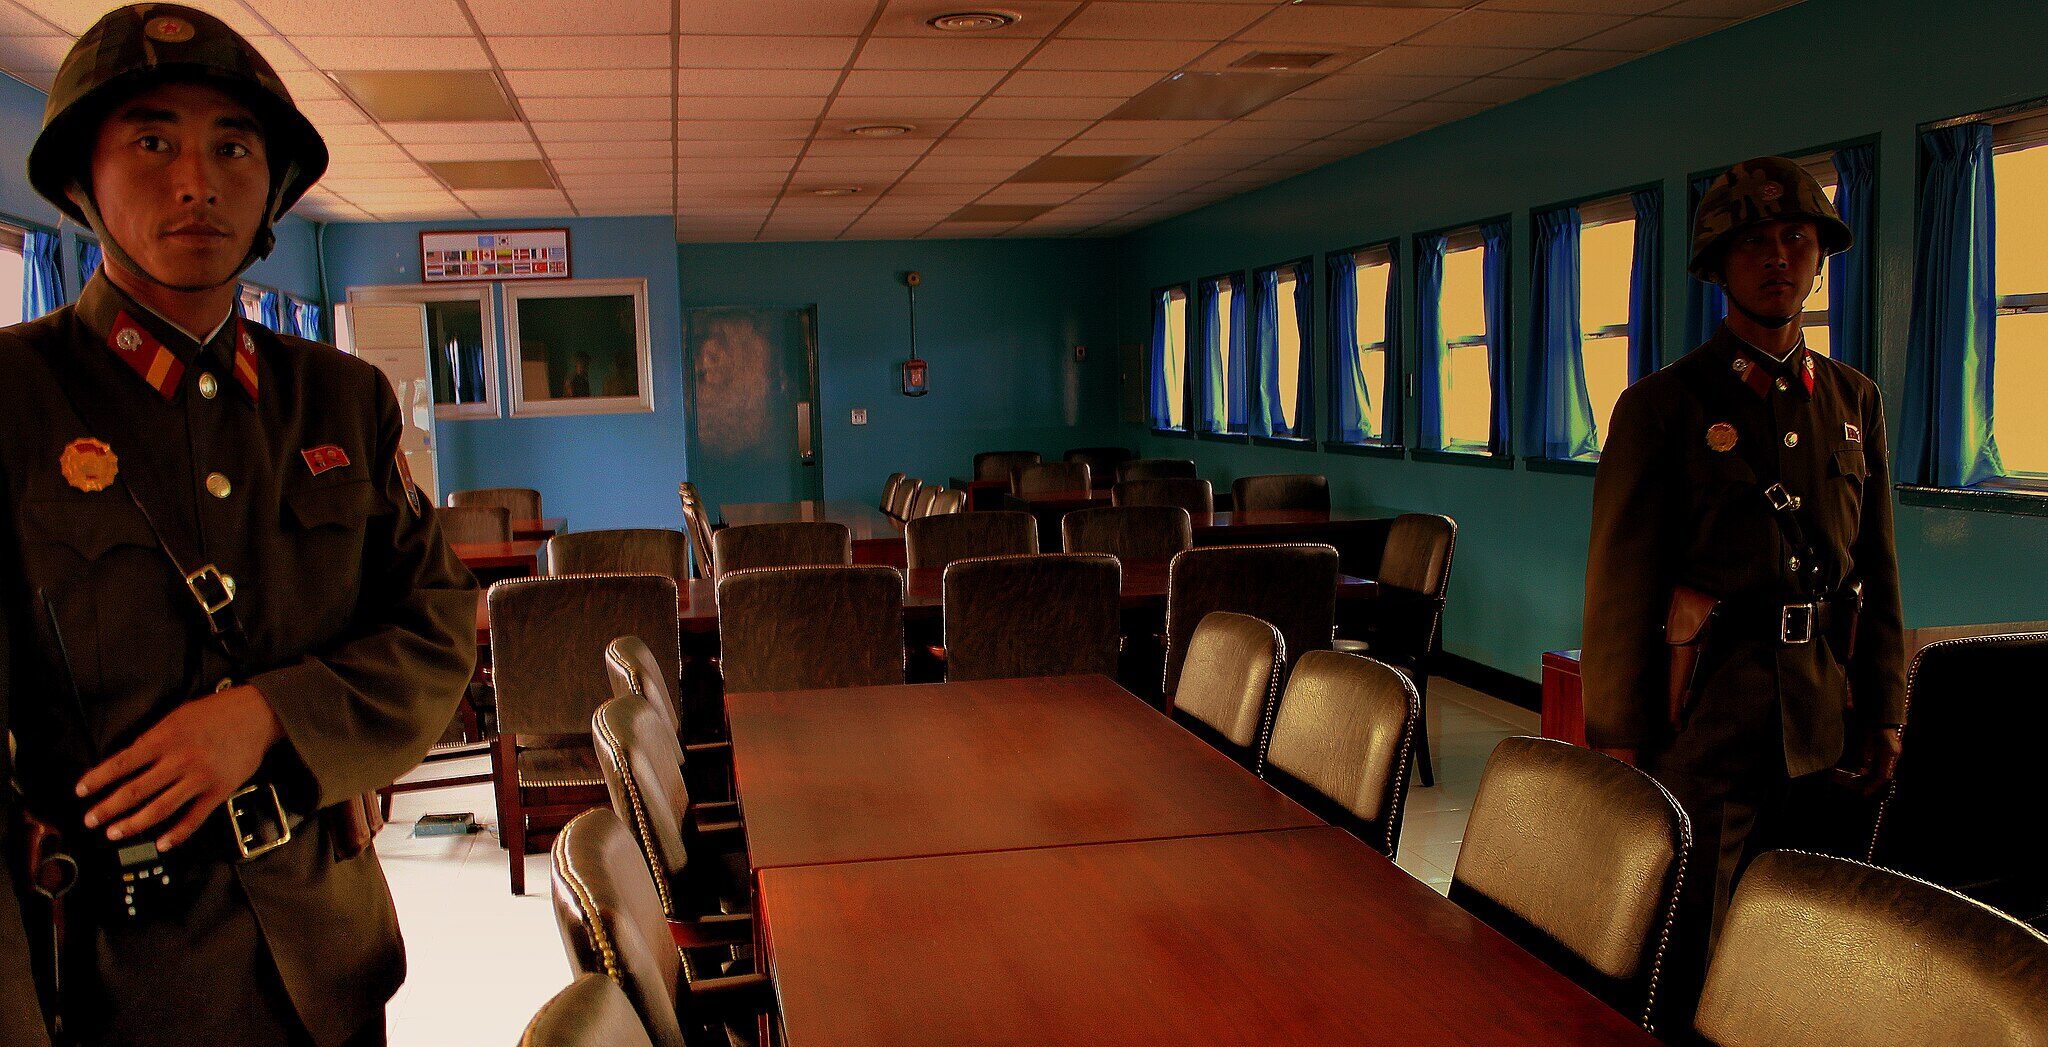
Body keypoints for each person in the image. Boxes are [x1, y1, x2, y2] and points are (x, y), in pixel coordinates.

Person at [0, 6, 478, 1044]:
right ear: (83, 178)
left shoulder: (336, 399)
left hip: (326, 957)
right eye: (154, 140)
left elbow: (436, 622)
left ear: (272, 187)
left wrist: (270, 716)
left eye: (233, 146)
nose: (196, 180)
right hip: (110, 976)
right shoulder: (14, 399)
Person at [1582, 156, 1906, 1024]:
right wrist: (1618, 735)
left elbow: (1876, 567)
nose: (1777, 258)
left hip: (1819, 701)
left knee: (1802, 923)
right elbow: (1620, 582)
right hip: (1709, 710)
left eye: (1796, 239)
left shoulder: (1853, 400)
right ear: (1718, 266)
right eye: (1753, 243)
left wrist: (1884, 709)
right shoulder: (1665, 405)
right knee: (1690, 929)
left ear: (1819, 257)